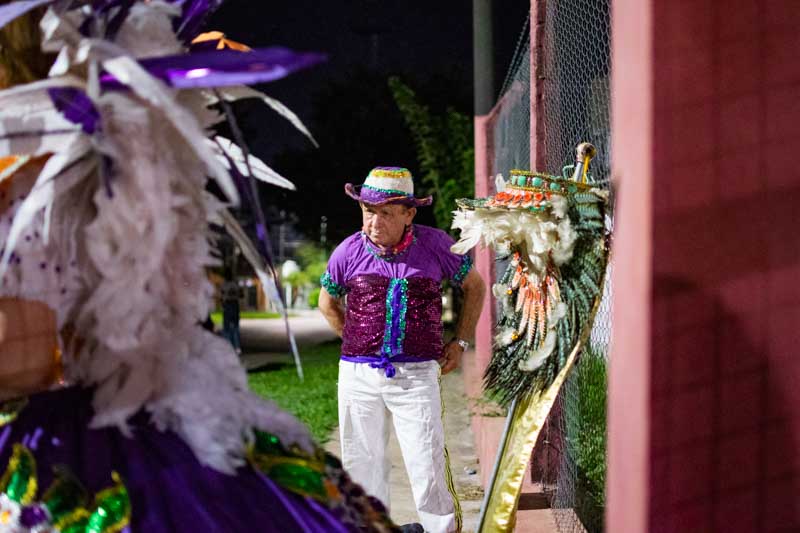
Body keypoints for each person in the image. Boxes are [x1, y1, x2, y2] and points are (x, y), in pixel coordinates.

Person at [0, 3, 398, 531]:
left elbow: (20, 357)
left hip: (67, 451)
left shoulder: (24, 158)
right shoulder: (119, 137)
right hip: (157, 419)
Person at [318, 167, 486, 533]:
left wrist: (459, 342)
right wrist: (357, 338)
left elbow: (475, 286)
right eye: (368, 211)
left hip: (416, 375)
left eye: (385, 212)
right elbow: (327, 303)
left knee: (426, 461)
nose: (374, 221)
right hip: (358, 376)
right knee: (362, 463)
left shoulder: (436, 245)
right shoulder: (347, 250)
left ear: (409, 213)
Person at [221, 269, 243, 353]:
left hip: (228, 305)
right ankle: (237, 347)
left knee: (227, 328)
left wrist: (223, 303)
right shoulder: (235, 285)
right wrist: (236, 294)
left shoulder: (224, 285)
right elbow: (241, 295)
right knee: (235, 327)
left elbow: (222, 296)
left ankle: (229, 347)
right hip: (235, 305)